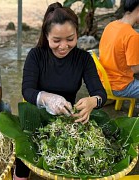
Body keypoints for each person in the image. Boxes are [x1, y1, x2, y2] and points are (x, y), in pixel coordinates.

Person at [17, 2, 107, 180]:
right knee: (22, 149)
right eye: (56, 40)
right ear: (46, 36)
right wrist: (47, 98)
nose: (63, 46)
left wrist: (92, 102)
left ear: (77, 35)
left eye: (70, 39)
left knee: (76, 156)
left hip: (68, 118)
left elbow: (100, 93)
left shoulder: (84, 59)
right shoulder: (36, 56)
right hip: (37, 115)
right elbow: (27, 91)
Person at [99, 0, 139, 98]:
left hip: (104, 81)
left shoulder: (110, 25)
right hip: (120, 86)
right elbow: (135, 69)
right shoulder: (132, 36)